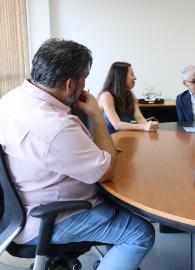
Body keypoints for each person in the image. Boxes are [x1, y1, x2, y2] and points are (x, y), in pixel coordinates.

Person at [0, 39, 154, 270]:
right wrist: (95, 114)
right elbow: (107, 170)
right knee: (140, 233)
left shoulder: (10, 99)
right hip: (51, 217)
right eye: (83, 80)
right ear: (71, 85)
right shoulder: (56, 126)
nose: (85, 87)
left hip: (19, 210)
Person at [98, 62, 159, 134]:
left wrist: (150, 125)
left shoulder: (130, 95)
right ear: (121, 77)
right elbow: (117, 125)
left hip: (124, 138)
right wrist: (143, 126)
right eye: (132, 74)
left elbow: (140, 119)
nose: (135, 78)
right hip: (106, 141)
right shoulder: (106, 96)